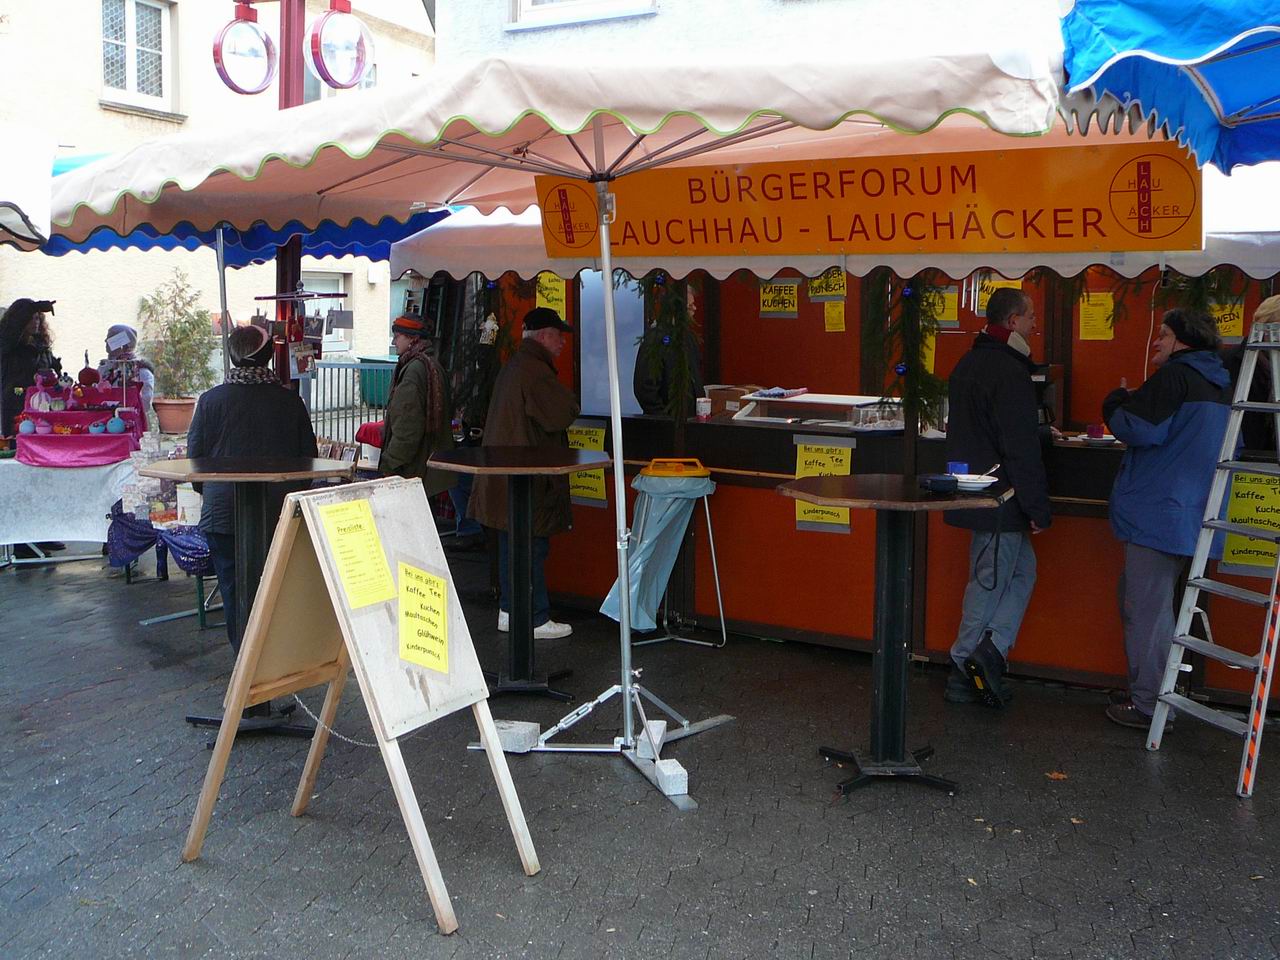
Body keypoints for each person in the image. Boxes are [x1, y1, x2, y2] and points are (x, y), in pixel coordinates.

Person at [1103, 308, 1231, 729]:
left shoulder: (1175, 377)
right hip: (1194, 512)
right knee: (1153, 606)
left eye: (1163, 334)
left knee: (1146, 611)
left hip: (1158, 512)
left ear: (1181, 341)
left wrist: (1115, 401)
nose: (1155, 341)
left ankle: (1150, 705)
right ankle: (1153, 691)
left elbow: (1137, 428)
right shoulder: (1221, 381)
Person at [943, 287, 1052, 708]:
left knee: (1020, 574)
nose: (1035, 325)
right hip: (1000, 497)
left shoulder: (969, 363)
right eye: (1030, 317)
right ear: (1012, 322)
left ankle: (988, 654)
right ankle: (963, 667)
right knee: (989, 583)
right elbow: (1019, 447)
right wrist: (1037, 507)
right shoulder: (1009, 372)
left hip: (979, 489)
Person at [187, 325, 317, 664]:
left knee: (233, 591)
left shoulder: (210, 401)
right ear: (268, 357)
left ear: (232, 355)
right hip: (279, 512)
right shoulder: (289, 402)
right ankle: (272, 665)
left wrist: (211, 492)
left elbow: (195, 461)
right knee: (276, 588)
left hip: (222, 512)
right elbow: (309, 459)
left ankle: (245, 665)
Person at [468, 307, 580, 640]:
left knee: (510, 545)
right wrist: (571, 401)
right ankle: (534, 616)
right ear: (544, 336)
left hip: (503, 478)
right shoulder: (536, 372)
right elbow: (561, 413)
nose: (562, 343)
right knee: (531, 546)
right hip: (526, 479)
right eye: (559, 336)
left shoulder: (516, 366)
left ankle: (509, 611)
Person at [378, 314, 456, 503]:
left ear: (412, 338)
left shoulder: (414, 371)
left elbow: (407, 427)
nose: (394, 342)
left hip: (414, 471)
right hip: (429, 470)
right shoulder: (432, 365)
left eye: (398, 336)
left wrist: (390, 463)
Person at [0, 298, 60, 436]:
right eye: (31, 318)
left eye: (37, 318)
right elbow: (10, 335)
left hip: (41, 404)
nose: (36, 322)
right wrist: (32, 307)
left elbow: (52, 371)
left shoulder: (42, 346)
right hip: (15, 403)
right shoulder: (9, 345)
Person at [97, 323, 156, 428]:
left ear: (123, 343)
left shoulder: (141, 372)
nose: (105, 341)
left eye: (110, 338)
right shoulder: (105, 368)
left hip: (133, 424)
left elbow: (145, 404)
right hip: (104, 422)